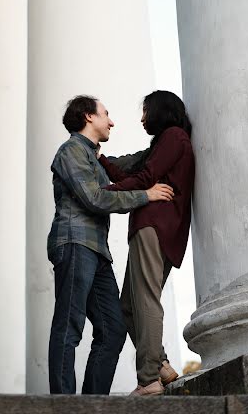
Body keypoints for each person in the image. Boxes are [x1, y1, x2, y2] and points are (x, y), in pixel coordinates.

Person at [47, 95, 174, 394]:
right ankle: (63, 404)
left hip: (97, 252)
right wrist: (146, 195)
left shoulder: (95, 158)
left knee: (114, 329)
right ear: (88, 117)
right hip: (75, 243)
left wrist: (167, 142)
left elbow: (132, 164)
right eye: (106, 114)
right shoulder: (70, 152)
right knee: (70, 324)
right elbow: (96, 198)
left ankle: (94, 403)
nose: (112, 121)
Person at [99, 90, 195, 396]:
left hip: (155, 225)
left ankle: (149, 379)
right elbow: (137, 171)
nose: (142, 118)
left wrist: (108, 191)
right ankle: (162, 365)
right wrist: (100, 160)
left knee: (144, 300)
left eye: (145, 111)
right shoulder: (162, 143)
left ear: (161, 111)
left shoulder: (175, 137)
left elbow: (146, 177)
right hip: (153, 226)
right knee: (127, 305)